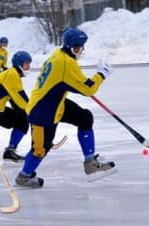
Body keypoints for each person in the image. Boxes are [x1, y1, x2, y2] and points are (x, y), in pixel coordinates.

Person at [15, 27, 114, 188]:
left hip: (56, 102)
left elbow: (71, 82)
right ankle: (24, 176)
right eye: (80, 46)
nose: (82, 50)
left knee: (84, 117)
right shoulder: (66, 62)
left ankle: (90, 162)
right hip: (42, 110)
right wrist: (101, 74)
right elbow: (87, 88)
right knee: (41, 149)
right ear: (73, 47)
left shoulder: (59, 55)